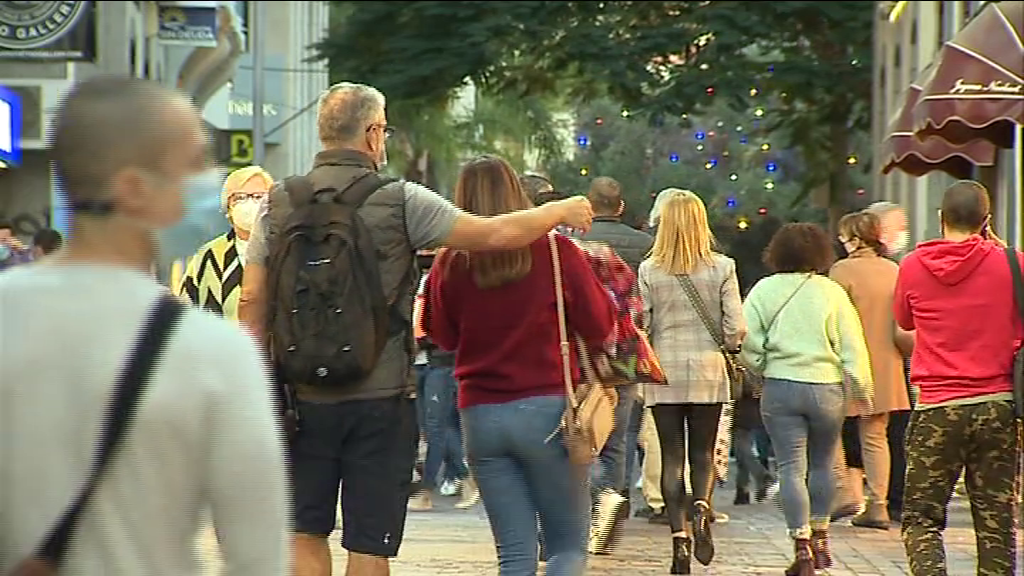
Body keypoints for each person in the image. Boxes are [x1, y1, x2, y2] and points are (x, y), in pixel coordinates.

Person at [237, 82, 594, 576]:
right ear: (372, 133)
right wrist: (557, 210)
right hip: (380, 397)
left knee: (303, 533)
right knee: (369, 544)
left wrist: (258, 384)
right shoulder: (400, 200)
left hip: (300, 398)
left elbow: (251, 299)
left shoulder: (278, 202)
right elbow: (494, 234)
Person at [0, 76, 288, 575]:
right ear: (134, 188)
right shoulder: (214, 353)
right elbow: (257, 557)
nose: (212, 182)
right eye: (195, 162)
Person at [424, 155, 615, 576]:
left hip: (480, 415)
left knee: (513, 555)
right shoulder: (556, 251)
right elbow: (601, 324)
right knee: (566, 547)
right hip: (549, 411)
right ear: (516, 193)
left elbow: (442, 337)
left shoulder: (450, 261)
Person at [894, 180, 1022, 576]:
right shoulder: (1013, 263)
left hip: (937, 406)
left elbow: (904, 321)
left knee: (922, 516)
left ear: (940, 217)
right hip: (997, 406)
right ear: (987, 220)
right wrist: (1002, 251)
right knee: (996, 519)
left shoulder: (913, 265)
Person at [740, 223, 872, 576]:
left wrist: (761, 365)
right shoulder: (831, 292)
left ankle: (800, 545)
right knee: (822, 464)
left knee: (789, 467)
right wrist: (863, 389)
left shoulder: (764, 290)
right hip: (827, 388)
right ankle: (822, 535)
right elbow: (852, 345)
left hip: (781, 386)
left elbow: (745, 339)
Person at [639, 189, 744, 574]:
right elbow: (735, 327)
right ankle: (702, 506)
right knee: (702, 453)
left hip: (664, 370)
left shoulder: (650, 270)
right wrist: (728, 345)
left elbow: (642, 323)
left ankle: (679, 539)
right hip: (708, 369)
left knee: (671, 456)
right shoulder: (723, 267)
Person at [573, 176, 654, 552]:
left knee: (577, 431)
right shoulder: (645, 245)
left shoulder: (571, 243)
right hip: (623, 353)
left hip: (578, 354)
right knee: (617, 438)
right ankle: (609, 509)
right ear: (621, 206)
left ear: (589, 205)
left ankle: (582, 510)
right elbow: (641, 305)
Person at [829, 211, 912, 531]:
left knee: (831, 428)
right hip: (887, 361)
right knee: (876, 435)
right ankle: (878, 504)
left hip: (849, 362)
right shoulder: (894, 270)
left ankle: (845, 492)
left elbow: (832, 318)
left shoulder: (841, 271)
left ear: (854, 238)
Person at [176, 165, 272, 320]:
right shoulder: (209, 255)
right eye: (240, 197)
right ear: (228, 207)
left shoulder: (286, 249)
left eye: (258, 197)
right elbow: (185, 309)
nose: (250, 204)